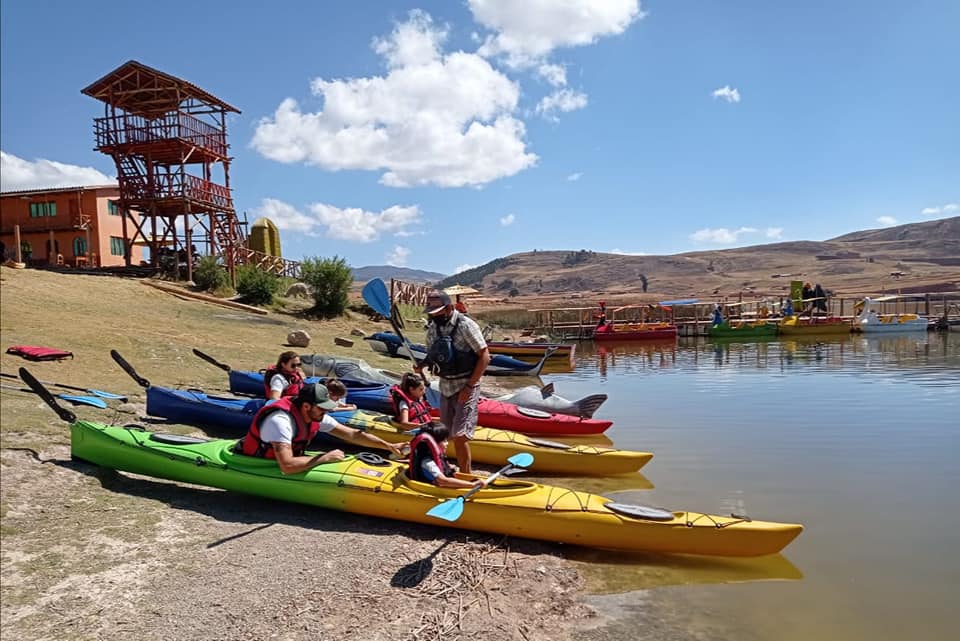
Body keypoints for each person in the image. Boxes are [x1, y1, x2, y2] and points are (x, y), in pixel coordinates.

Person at [237, 383, 403, 474]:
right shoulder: (280, 421)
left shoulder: (315, 414)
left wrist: (389, 446)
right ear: (307, 406)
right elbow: (287, 466)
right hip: (258, 464)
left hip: (288, 460)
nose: (326, 412)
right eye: (322, 408)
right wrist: (324, 457)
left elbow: (353, 435)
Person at [415, 289, 490, 474]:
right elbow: (434, 354)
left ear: (448, 308)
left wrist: (470, 386)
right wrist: (423, 364)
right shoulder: (434, 327)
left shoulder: (466, 325)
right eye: (431, 312)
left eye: (437, 311)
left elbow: (485, 356)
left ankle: (466, 475)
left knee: (460, 436)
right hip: (446, 386)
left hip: (466, 385)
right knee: (443, 433)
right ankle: (442, 468)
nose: (434, 316)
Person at [408, 421, 485, 489]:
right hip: (431, 491)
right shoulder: (428, 463)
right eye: (444, 441)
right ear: (432, 444)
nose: (447, 443)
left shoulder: (435, 457)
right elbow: (442, 480)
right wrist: (472, 485)